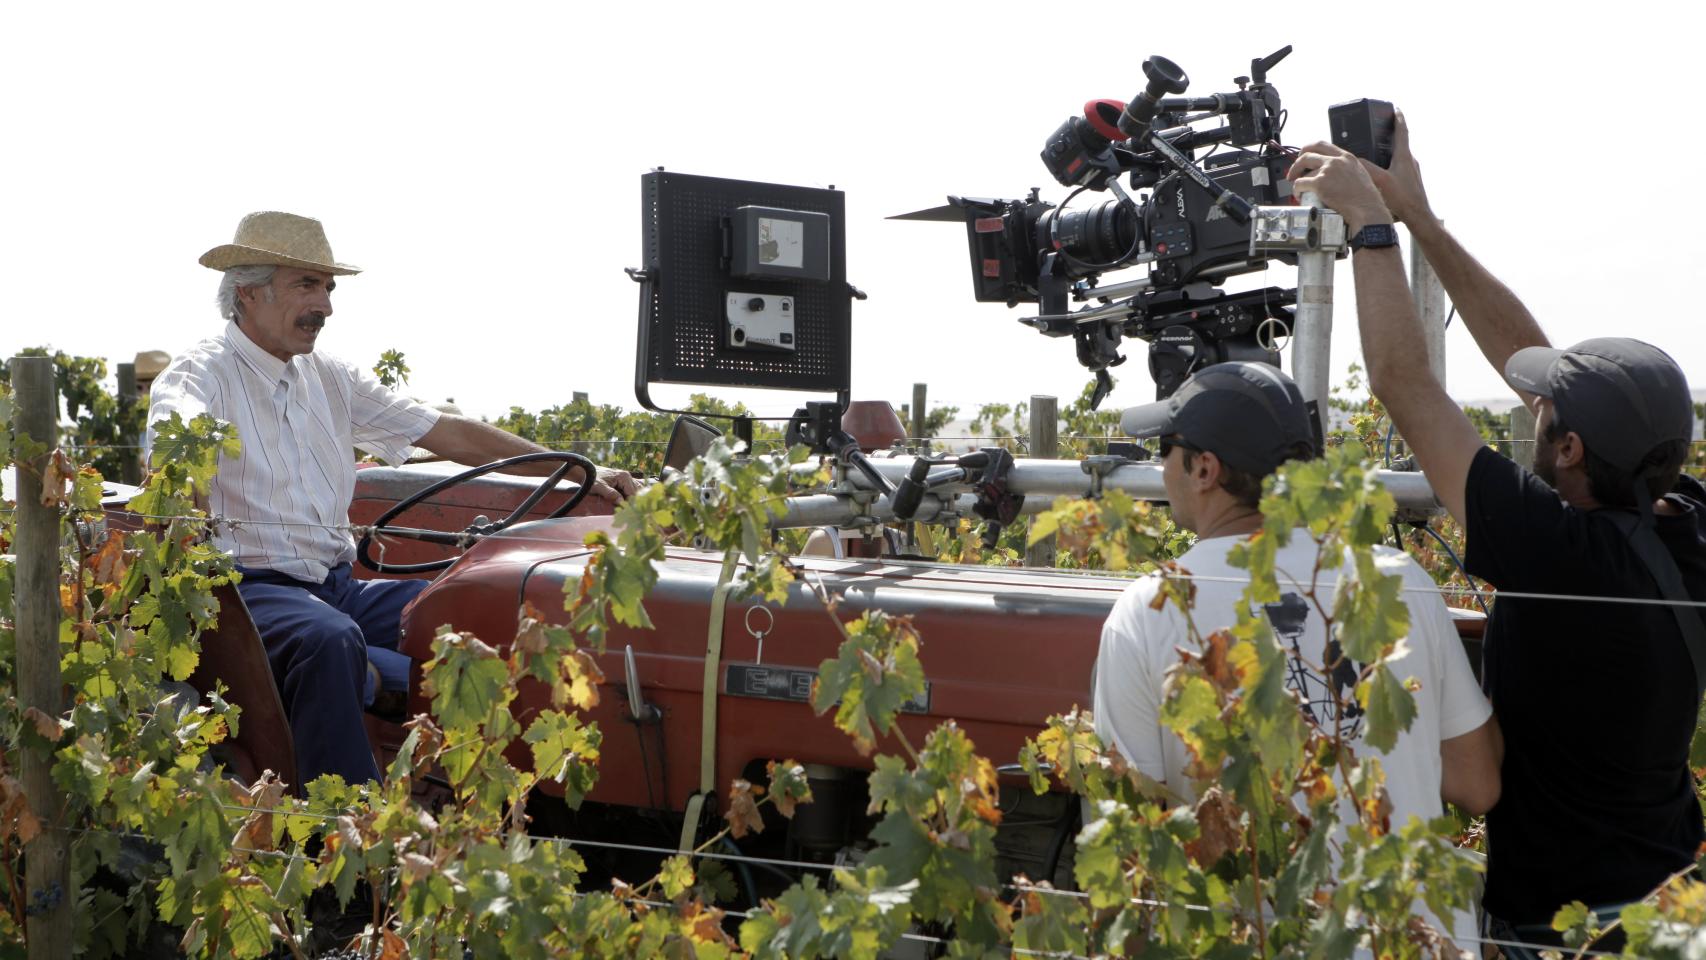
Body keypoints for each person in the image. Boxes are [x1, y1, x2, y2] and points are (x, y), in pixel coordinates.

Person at [1288, 116, 1705, 948]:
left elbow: (1408, 389)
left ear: (1572, 449)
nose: (1533, 408)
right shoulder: (1681, 519)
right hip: (1673, 905)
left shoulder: (1560, 552)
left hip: (1571, 930)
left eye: (1543, 412)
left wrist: (1371, 230)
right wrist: (1421, 220)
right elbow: (1533, 359)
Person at [148, 210, 638, 787]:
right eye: (306, 285)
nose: (326, 305)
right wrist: (187, 510)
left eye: (328, 288)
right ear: (249, 293)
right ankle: (344, 835)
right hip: (248, 593)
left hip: (336, 587)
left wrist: (573, 471)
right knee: (328, 641)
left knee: (475, 606)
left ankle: (483, 792)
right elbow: (173, 452)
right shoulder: (200, 376)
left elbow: (447, 432)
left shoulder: (330, 377)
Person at [1093, 361, 1501, 948]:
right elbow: (1477, 782)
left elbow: (1134, 857)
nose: (1160, 467)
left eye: (1166, 448)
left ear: (1204, 468)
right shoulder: (1399, 581)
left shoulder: (1149, 611)